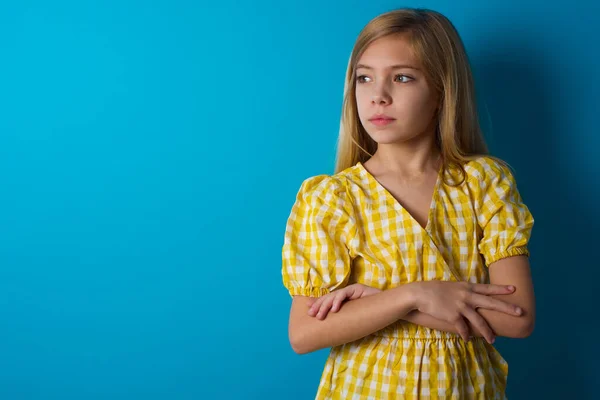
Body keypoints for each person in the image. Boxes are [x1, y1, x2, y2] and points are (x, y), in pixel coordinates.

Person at [280, 7, 536, 400]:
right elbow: (304, 332)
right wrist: (411, 295)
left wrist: (384, 302)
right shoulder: (332, 198)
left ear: (441, 92)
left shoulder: (484, 183)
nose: (378, 96)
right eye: (364, 78)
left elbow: (517, 318)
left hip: (466, 389)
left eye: (402, 77)